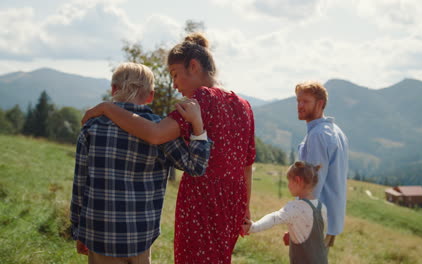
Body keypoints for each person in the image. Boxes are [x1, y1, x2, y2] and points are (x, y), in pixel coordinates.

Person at [80, 33, 256, 263]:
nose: (174, 84)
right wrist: (245, 208)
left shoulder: (201, 99)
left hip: (202, 201)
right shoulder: (244, 105)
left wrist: (107, 108)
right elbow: (247, 164)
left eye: (175, 75)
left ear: (193, 66)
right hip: (233, 202)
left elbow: (155, 134)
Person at [70, 62, 212, 264]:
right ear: (150, 96)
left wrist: (78, 229)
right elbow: (195, 167)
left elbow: (80, 184)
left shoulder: (91, 127)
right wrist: (198, 127)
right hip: (140, 235)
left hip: (98, 232)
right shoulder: (160, 130)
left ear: (113, 90)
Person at [294, 81, 349, 249]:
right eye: (298, 100)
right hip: (330, 219)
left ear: (320, 104)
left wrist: (299, 221)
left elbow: (311, 184)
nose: (300, 106)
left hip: (315, 221)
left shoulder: (318, 135)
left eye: (305, 101)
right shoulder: (336, 131)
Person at [242, 161, 328, 264]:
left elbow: (274, 218)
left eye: (289, 181)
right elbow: (318, 235)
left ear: (297, 180)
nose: (288, 185)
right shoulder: (322, 207)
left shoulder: (295, 207)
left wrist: (253, 227)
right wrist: (294, 235)